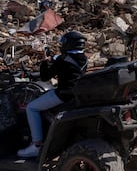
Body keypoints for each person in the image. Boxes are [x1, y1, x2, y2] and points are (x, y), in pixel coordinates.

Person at [17, 30, 88, 158]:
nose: (61, 46)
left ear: (70, 44)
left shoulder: (62, 60)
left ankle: (36, 145)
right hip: (75, 93)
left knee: (31, 107)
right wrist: (53, 59)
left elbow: (45, 77)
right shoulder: (83, 59)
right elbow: (67, 66)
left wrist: (44, 61)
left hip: (63, 94)